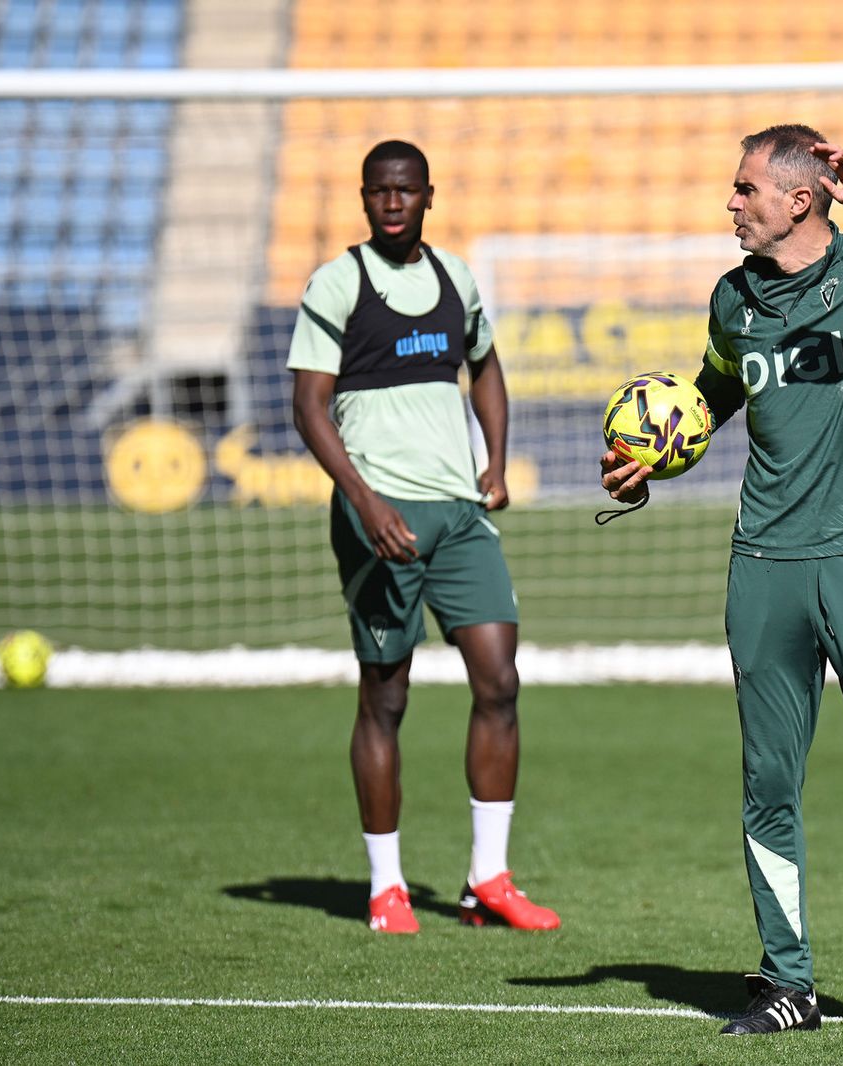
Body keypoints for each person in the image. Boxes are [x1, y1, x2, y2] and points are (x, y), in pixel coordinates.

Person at [600, 125, 843, 1041]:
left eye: (745, 190)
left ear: (799, 200)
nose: (731, 204)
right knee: (766, 783)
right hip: (762, 569)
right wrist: (657, 455)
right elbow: (719, 387)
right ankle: (787, 983)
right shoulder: (732, 298)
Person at [289, 140, 558, 936]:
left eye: (406, 190)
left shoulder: (456, 279)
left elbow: (487, 368)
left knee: (499, 681)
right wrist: (365, 502)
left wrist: (497, 462)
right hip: (382, 516)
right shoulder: (338, 284)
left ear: (428, 196)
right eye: (380, 192)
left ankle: (488, 881)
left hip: (458, 515)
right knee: (387, 695)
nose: (393, 203)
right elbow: (309, 408)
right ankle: (386, 887)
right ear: (365, 199)